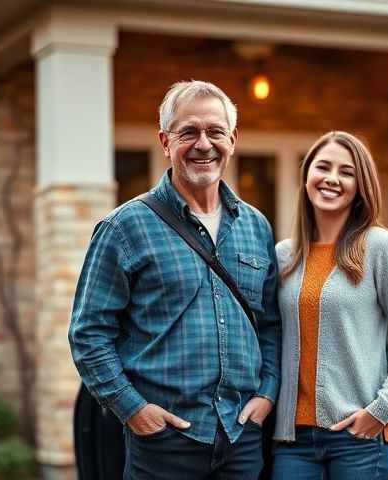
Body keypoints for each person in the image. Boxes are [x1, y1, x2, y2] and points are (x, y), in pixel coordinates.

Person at [69, 80, 281, 479]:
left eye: (215, 131)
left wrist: (267, 393)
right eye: (189, 132)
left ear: (232, 140)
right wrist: (133, 409)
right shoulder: (124, 227)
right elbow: (88, 332)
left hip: (241, 438)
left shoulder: (256, 226)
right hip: (163, 442)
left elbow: (269, 324)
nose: (204, 144)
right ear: (166, 141)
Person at [271, 131, 388, 479]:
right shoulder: (284, 255)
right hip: (292, 439)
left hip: (359, 438)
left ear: (360, 186)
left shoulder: (380, 247)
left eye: (346, 172)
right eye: (323, 167)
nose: (331, 178)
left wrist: (381, 409)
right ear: (306, 175)